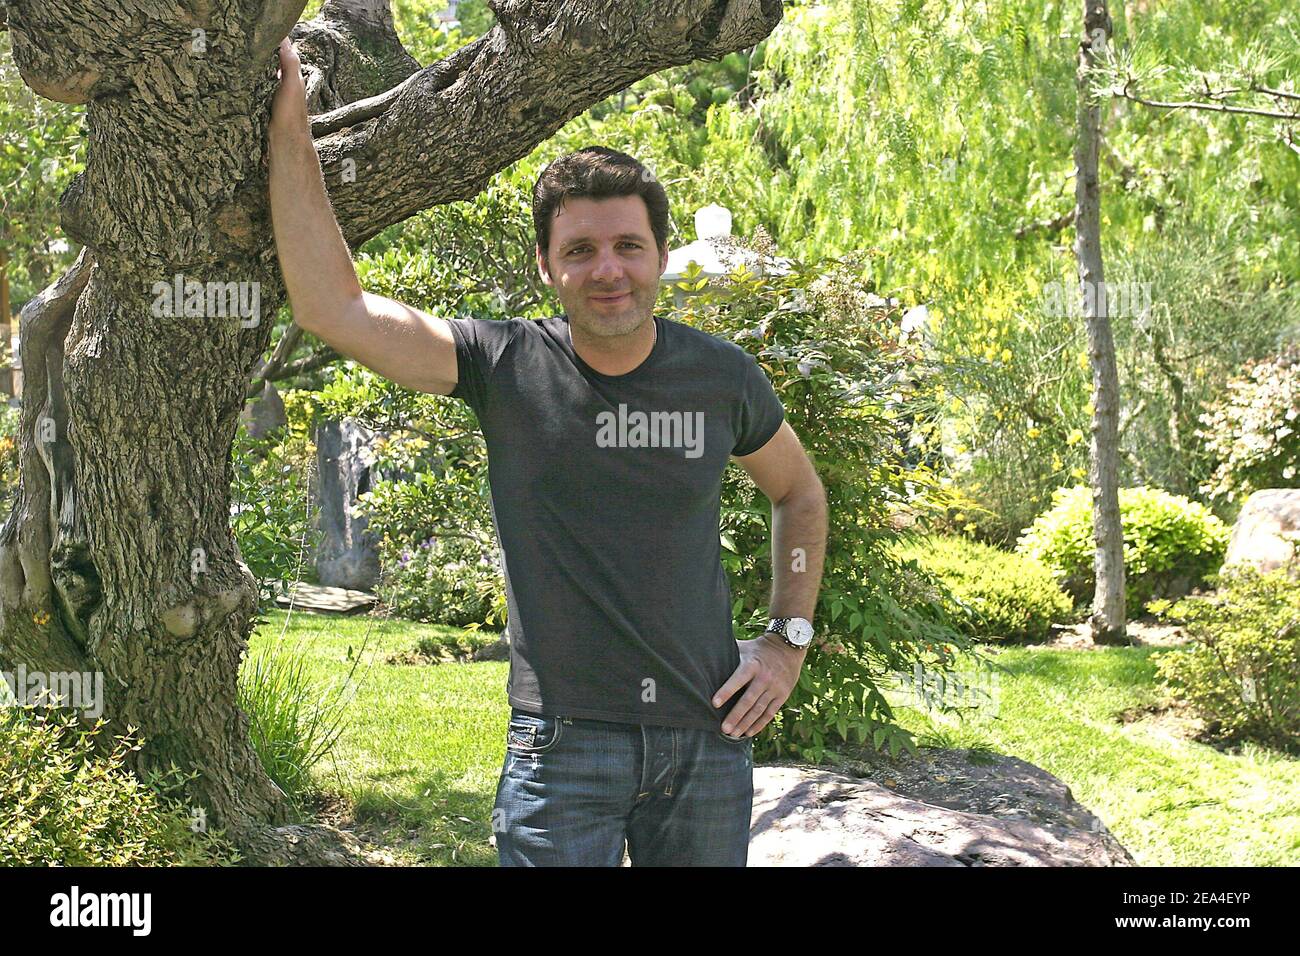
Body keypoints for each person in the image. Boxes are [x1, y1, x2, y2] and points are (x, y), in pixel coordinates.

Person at [267, 37, 827, 866]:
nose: (609, 271)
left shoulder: (721, 378)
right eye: (580, 250)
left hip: (704, 740)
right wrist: (289, 129)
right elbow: (332, 308)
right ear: (546, 266)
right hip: (562, 749)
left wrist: (786, 641)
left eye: (628, 247)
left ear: (660, 257)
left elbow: (800, 495)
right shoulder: (502, 365)